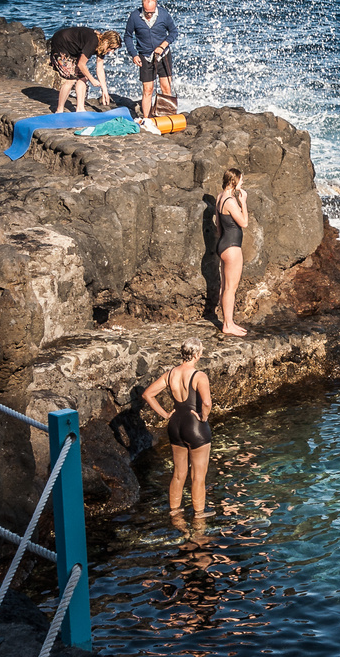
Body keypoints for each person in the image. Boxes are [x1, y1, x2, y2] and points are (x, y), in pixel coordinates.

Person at [141, 339, 215, 517]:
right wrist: (203, 417)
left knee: (179, 474)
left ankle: (175, 513)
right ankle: (199, 515)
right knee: (198, 477)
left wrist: (166, 415)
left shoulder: (170, 374)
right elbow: (206, 402)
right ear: (197, 355)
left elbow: (147, 394)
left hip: (175, 426)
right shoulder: (199, 376)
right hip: (195, 428)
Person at [126, 0, 177, 120]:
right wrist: (133, 54)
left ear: (156, 7)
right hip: (145, 56)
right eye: (147, 12)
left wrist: (163, 45)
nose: (149, 15)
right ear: (142, 7)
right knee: (148, 89)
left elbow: (173, 32)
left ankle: (168, 116)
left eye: (152, 12)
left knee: (166, 87)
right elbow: (127, 36)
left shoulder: (163, 15)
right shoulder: (134, 16)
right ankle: (147, 118)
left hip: (163, 55)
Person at [49, 27, 121, 113]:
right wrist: (92, 79)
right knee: (71, 79)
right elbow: (81, 64)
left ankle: (80, 109)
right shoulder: (93, 42)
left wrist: (104, 90)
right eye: (112, 48)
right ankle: (59, 110)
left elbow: (100, 68)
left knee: (83, 78)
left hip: (73, 49)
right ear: (106, 42)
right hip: (61, 43)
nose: (112, 51)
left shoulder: (102, 47)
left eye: (114, 49)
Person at [215, 168, 249, 337]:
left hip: (223, 244)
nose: (242, 183)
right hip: (232, 248)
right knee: (231, 288)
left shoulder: (219, 197)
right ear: (234, 181)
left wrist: (223, 244)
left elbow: (219, 228)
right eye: (241, 180)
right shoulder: (230, 201)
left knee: (225, 286)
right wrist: (244, 202)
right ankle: (228, 324)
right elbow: (244, 223)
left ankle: (228, 321)